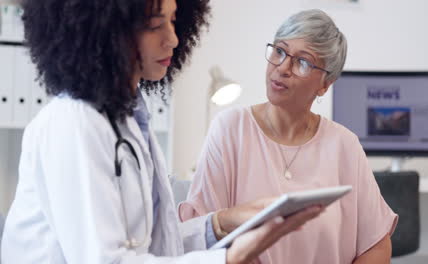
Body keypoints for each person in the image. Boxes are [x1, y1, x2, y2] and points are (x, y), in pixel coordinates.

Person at [1, 1, 325, 263]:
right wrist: (229, 258)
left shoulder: (130, 119)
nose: (173, 38)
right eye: (156, 25)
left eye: (173, 20)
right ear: (106, 32)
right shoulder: (73, 123)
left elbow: (155, 245)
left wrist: (222, 223)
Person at [179, 9, 398, 264]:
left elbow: (377, 245)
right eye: (279, 52)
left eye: (302, 62)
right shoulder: (230, 129)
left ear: (325, 84)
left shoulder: (344, 145)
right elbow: (201, 234)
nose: (282, 68)